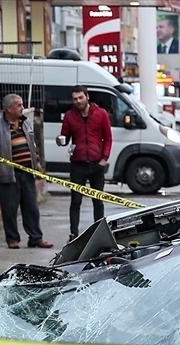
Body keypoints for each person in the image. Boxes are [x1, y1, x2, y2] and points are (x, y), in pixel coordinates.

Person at [0, 94, 52, 250]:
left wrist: (36, 162)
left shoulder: (25, 124)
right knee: (9, 208)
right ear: (9, 108)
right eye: (19, 105)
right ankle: (12, 239)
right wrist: (0, 166)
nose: (22, 108)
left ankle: (36, 238)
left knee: (31, 207)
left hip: (27, 173)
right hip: (9, 175)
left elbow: (32, 145)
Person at [58, 85, 113, 241]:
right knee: (75, 200)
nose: (78, 101)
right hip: (78, 163)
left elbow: (108, 138)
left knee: (98, 200)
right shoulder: (70, 116)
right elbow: (66, 137)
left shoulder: (101, 114)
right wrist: (60, 140)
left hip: (97, 163)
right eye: (75, 99)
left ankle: (99, 232)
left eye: (80, 97)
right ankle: (74, 233)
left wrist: (104, 159)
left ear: (87, 96)